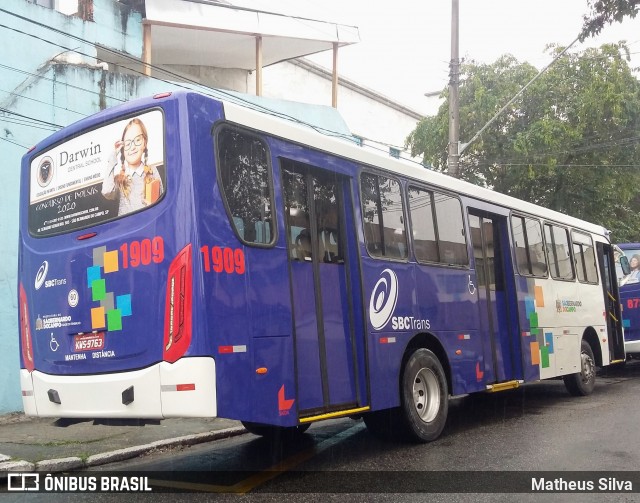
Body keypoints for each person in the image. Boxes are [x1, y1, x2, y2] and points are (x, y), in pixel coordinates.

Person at [101, 117, 163, 216]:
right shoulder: (119, 179)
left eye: (137, 140)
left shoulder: (152, 171)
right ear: (123, 150)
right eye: (128, 143)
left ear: (145, 143)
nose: (132, 147)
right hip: (126, 229)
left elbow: (162, 204)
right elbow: (106, 191)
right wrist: (113, 155)